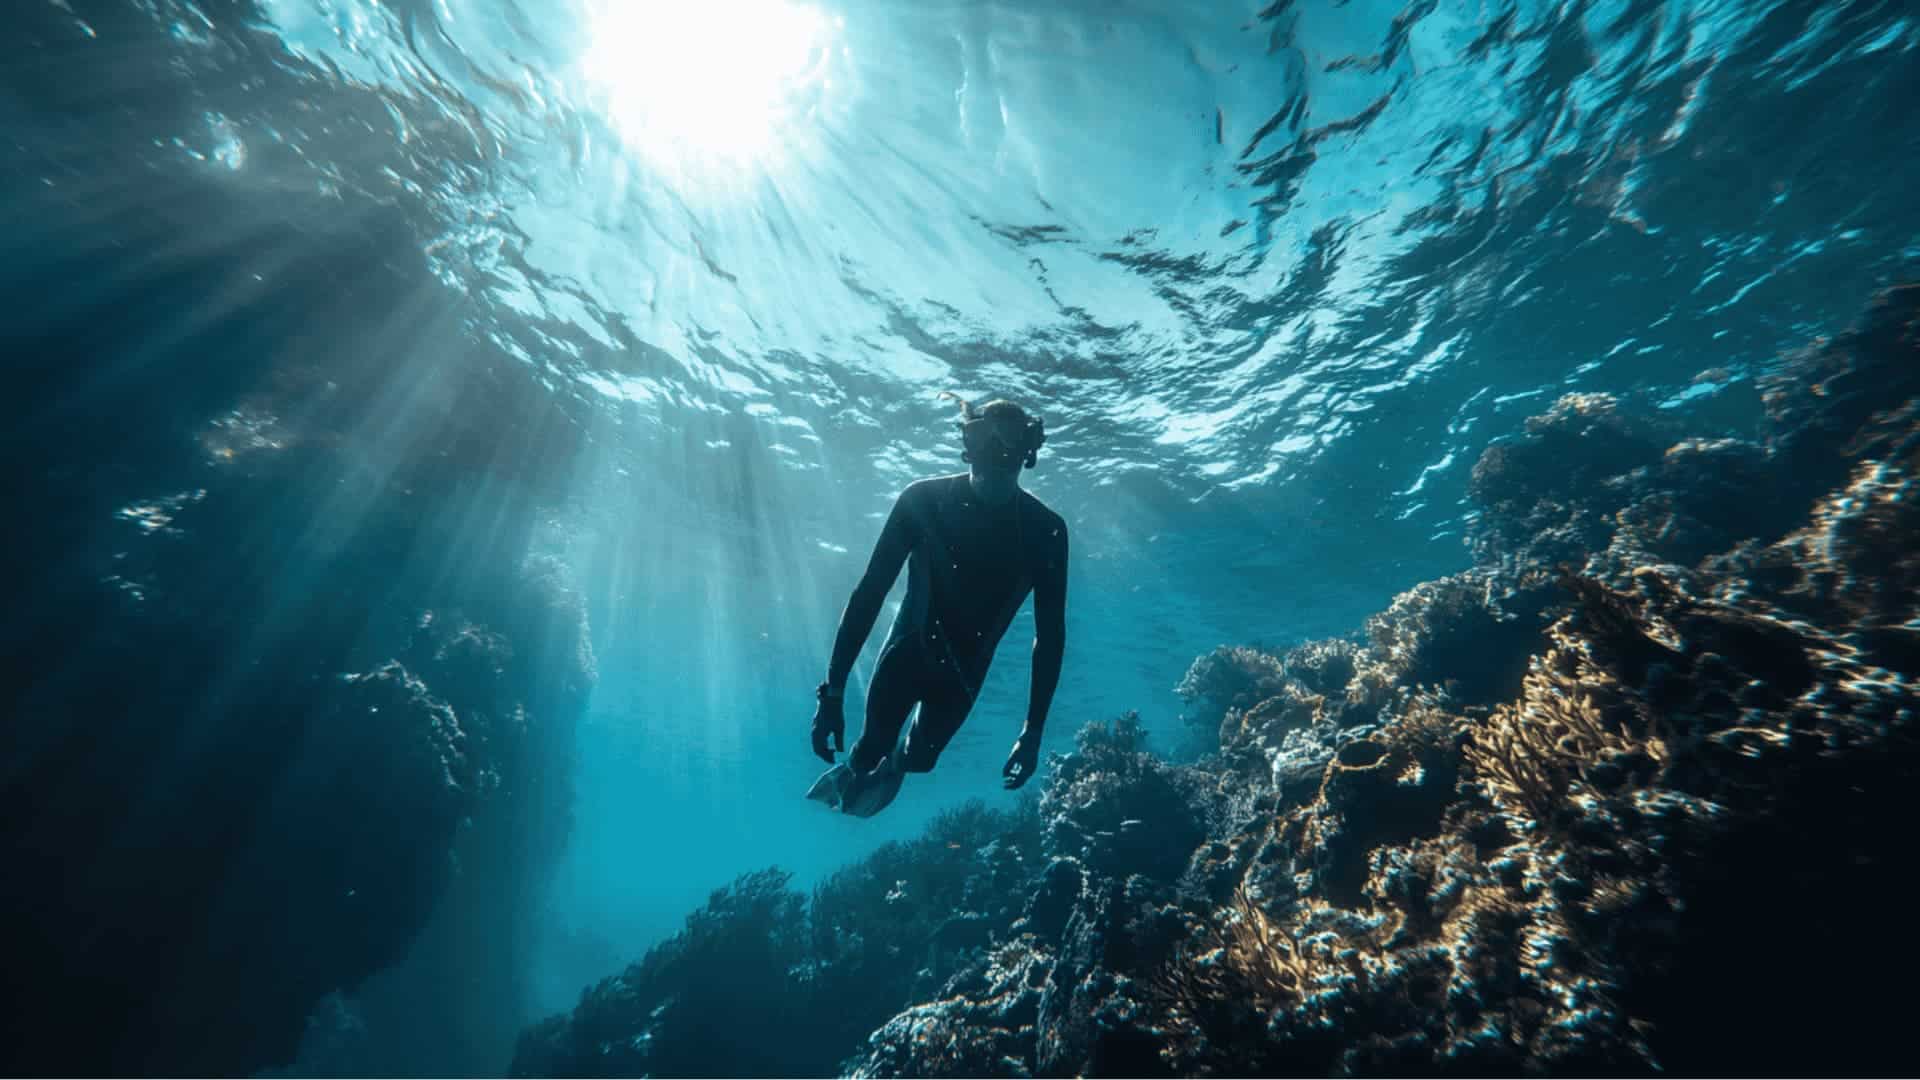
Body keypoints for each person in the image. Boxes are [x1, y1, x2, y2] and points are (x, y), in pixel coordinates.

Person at [805, 394, 1069, 817]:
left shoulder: (1046, 531)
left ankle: (893, 765)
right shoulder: (922, 501)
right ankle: (860, 767)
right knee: (871, 747)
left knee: (921, 760)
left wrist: (1033, 730)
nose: (995, 454)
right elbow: (870, 592)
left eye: (1007, 443)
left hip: (963, 671)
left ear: (1027, 451)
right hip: (909, 649)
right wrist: (831, 693)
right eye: (984, 439)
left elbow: (1050, 636)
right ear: (968, 444)